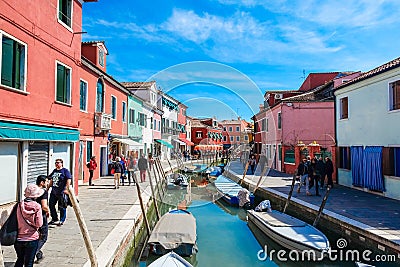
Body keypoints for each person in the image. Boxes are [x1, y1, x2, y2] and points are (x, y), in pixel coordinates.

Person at [14, 184, 44, 267]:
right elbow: (39, 224)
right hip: (32, 238)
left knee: (20, 259)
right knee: (29, 263)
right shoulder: (37, 206)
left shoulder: (19, 205)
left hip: (19, 238)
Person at [48, 159, 71, 226]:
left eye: (58, 163)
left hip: (61, 192)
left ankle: (62, 220)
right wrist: (48, 188)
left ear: (61, 163)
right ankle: (54, 218)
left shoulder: (65, 171)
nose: (57, 164)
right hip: (54, 191)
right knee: (51, 205)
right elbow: (51, 180)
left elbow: (69, 179)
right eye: (56, 163)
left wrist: (66, 189)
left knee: (62, 206)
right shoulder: (54, 171)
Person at [35, 175, 49, 263]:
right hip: (41, 216)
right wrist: (48, 211)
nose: (47, 183)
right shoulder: (43, 192)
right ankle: (32, 253)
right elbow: (44, 206)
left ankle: (39, 255)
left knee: (35, 236)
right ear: (42, 183)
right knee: (43, 236)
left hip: (31, 216)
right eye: (46, 182)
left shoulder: (32, 191)